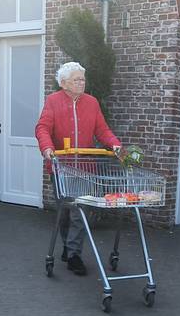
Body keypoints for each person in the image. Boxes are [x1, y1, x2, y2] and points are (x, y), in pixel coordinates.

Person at [35, 61, 122, 276]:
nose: (82, 83)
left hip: (85, 168)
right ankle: (67, 245)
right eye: (77, 79)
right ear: (64, 83)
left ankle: (74, 254)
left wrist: (114, 144)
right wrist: (47, 148)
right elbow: (43, 128)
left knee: (80, 212)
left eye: (83, 79)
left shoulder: (91, 102)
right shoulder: (53, 101)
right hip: (61, 168)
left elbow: (102, 130)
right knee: (64, 212)